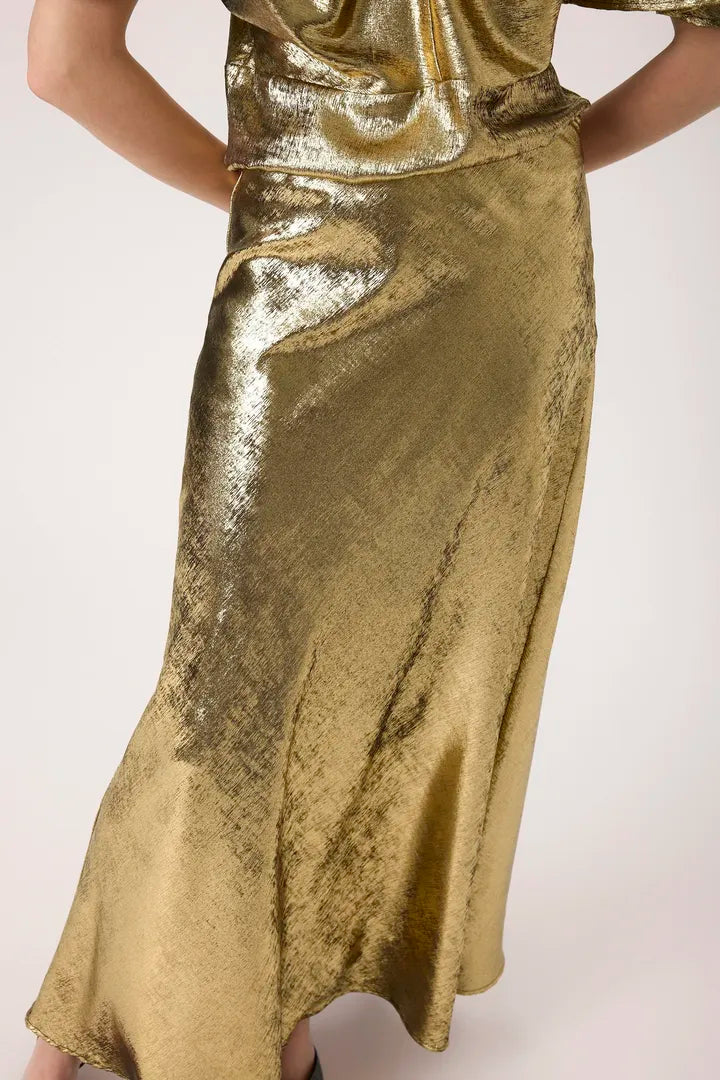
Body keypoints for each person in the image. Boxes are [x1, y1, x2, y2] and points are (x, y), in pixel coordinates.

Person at [20, 2, 720, 1080]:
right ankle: (179, 1021)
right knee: (259, 684)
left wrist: (272, 178)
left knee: (272, 682)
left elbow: (65, 62)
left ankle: (222, 1015)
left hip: (335, 251)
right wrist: (524, 153)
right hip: (503, 258)